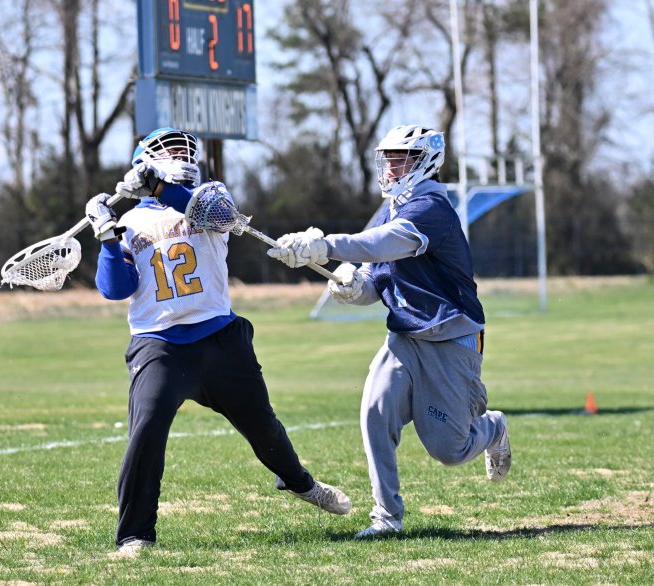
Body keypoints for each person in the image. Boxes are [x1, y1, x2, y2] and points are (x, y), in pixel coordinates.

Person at [84, 127, 351, 555]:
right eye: (168, 150)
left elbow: (221, 216)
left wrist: (157, 186)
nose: (180, 154)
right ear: (141, 160)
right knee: (146, 431)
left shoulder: (209, 195)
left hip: (219, 337)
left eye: (183, 148)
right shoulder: (129, 221)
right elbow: (116, 290)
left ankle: (301, 484)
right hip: (160, 346)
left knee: (263, 425)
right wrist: (107, 237)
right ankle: (135, 533)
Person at [266, 124, 511, 539]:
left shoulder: (431, 205)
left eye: (402, 158)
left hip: (450, 336)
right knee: (375, 414)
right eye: (389, 158)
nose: (392, 167)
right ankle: (387, 518)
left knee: (448, 450)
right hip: (404, 337)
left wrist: (326, 245)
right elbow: (376, 282)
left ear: (427, 162)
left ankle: (493, 428)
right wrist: (351, 287)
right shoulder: (391, 208)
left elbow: (387, 244)